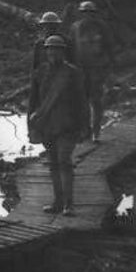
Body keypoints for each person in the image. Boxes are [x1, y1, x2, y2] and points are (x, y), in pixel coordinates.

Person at [28, 35, 90, 215]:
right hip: (47, 125)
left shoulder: (73, 73)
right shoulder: (40, 72)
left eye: (57, 49)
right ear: (46, 52)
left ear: (63, 52)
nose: (53, 53)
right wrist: (31, 128)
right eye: (50, 49)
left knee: (64, 161)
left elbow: (82, 101)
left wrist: (84, 126)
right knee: (53, 163)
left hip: (68, 125)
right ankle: (57, 202)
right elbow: (33, 102)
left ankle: (69, 205)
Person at [70, 1, 115, 142]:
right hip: (80, 69)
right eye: (85, 12)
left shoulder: (102, 27)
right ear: (81, 13)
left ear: (94, 13)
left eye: (90, 13)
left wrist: (109, 68)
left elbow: (109, 47)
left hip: (97, 68)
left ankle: (96, 130)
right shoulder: (75, 28)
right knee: (82, 101)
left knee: (96, 101)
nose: (87, 15)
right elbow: (71, 48)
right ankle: (85, 130)